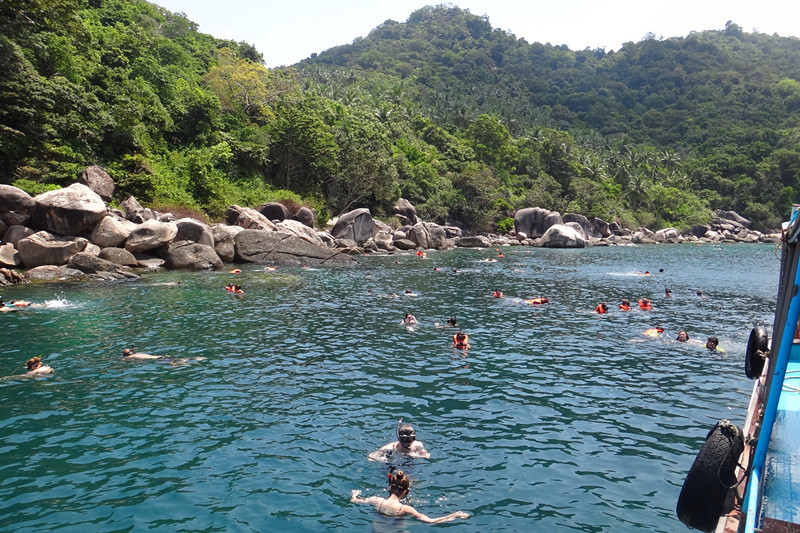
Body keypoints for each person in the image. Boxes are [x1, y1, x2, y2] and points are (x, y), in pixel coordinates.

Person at [351, 470, 468, 523]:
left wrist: (354, 494)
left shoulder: (376, 500)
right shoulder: (405, 509)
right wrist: (453, 515)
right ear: (406, 492)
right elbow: (430, 521)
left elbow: (355, 501)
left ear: (390, 488)